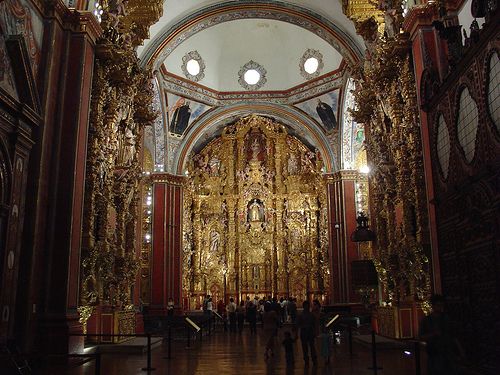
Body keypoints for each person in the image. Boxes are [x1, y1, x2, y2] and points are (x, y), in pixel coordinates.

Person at [419, 294, 463, 375]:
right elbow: (421, 336)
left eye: (441, 305)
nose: (440, 308)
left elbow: (453, 335)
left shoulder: (446, 318)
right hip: (434, 353)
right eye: (438, 305)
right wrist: (433, 334)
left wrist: (460, 350)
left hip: (447, 352)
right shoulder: (426, 320)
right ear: (433, 306)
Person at [296, 300, 317, 366]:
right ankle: (306, 359)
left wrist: (315, 332)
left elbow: (314, 324)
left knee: (312, 346)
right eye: (306, 306)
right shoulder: (301, 315)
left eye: (308, 306)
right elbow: (298, 324)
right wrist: (296, 334)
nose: (307, 307)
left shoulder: (311, 315)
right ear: (304, 306)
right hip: (304, 332)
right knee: (305, 347)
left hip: (310, 332)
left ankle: (314, 359)